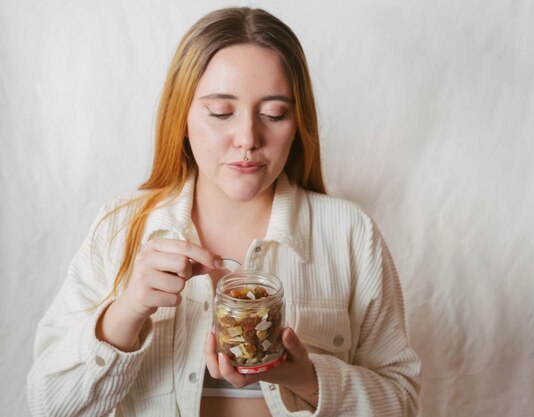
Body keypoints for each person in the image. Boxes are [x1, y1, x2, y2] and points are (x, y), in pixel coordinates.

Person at [27, 7, 421, 417]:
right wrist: (127, 311)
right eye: (220, 112)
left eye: (274, 114)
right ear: (181, 117)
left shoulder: (350, 234)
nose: (248, 138)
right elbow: (46, 406)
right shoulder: (120, 228)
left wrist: (302, 377)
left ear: (297, 121)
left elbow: (405, 403)